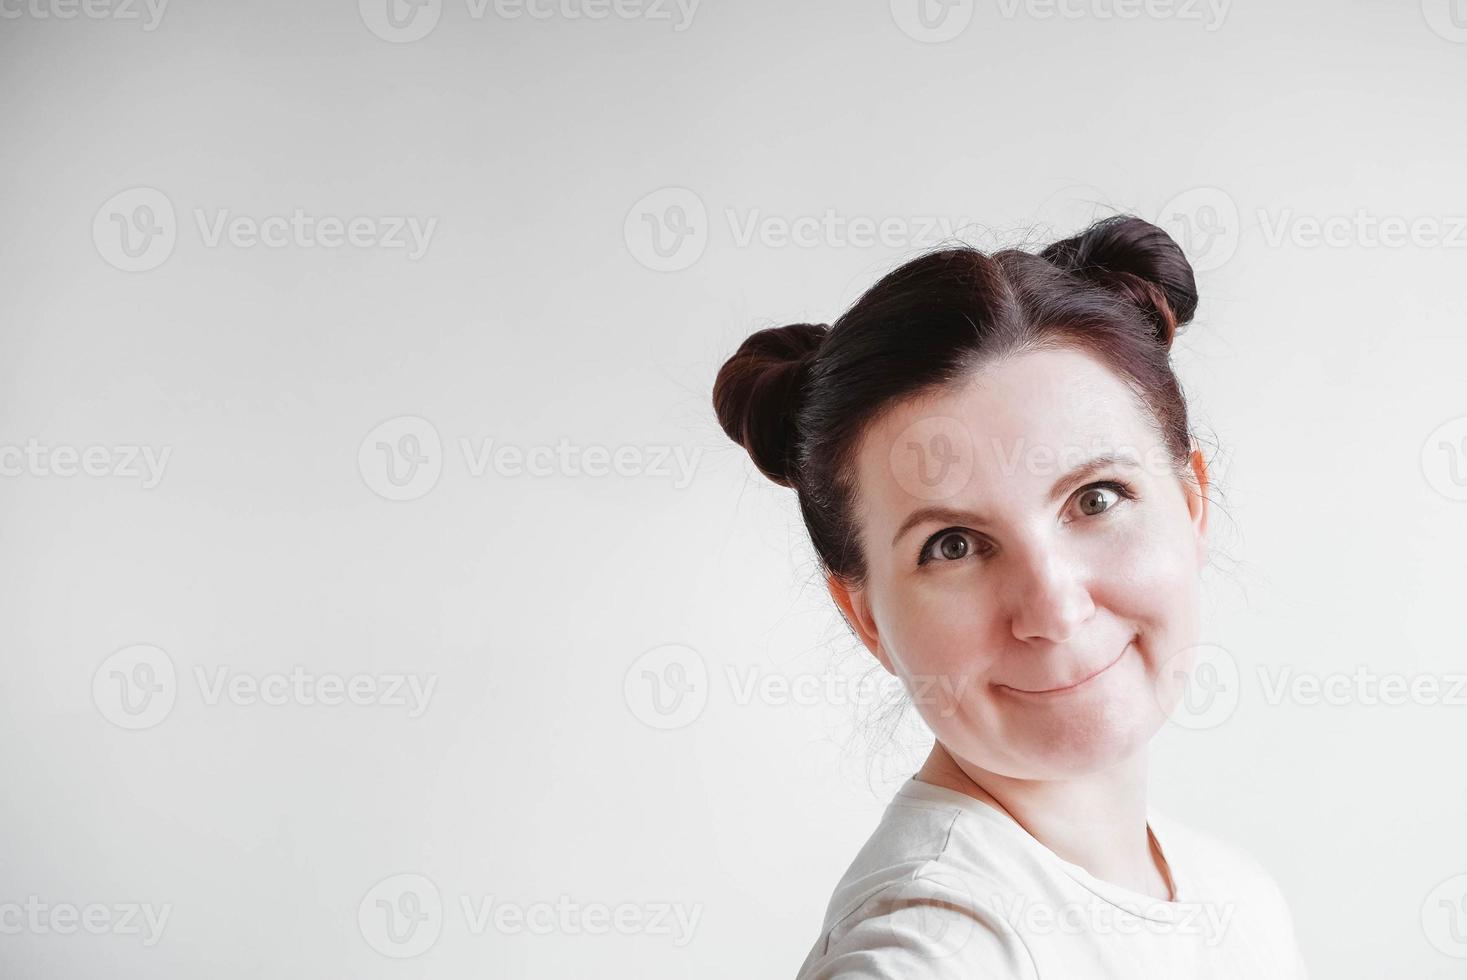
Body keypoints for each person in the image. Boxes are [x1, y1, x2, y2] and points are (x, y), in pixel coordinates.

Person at [711, 216, 1310, 978]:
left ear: (1190, 504)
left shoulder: (1235, 898)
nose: (1053, 608)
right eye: (952, 545)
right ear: (863, 615)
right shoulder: (931, 950)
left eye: (1096, 498)